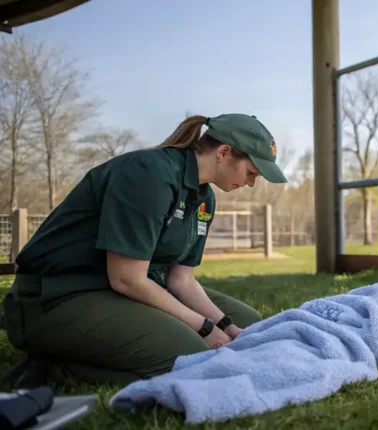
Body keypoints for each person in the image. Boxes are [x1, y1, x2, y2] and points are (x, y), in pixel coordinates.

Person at [1, 113, 287, 388]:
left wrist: (226, 325)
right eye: (252, 172)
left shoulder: (204, 197)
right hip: (60, 294)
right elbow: (127, 278)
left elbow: (181, 280)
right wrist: (204, 327)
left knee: (254, 329)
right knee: (194, 358)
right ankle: (55, 367)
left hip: (126, 291)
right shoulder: (149, 173)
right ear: (224, 152)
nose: (251, 182)